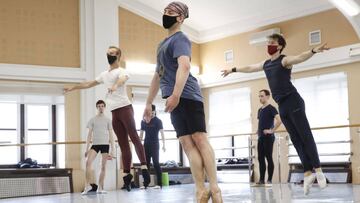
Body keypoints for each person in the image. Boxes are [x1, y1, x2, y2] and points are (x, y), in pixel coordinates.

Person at [221, 33, 328, 195]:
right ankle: (307, 172)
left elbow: (299, 57)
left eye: (272, 43)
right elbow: (250, 68)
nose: (268, 45)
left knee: (305, 135)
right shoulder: (266, 64)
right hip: (282, 106)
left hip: (293, 101)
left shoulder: (284, 60)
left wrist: (313, 50)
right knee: (295, 138)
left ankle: (318, 170)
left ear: (279, 46)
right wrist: (233, 69)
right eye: (268, 43)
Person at [143, 2, 223, 203]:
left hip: (187, 95)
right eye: (165, 12)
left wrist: (176, 95)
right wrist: (147, 103)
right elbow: (157, 76)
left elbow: (185, 66)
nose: (166, 15)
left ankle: (214, 187)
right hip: (173, 98)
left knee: (199, 139)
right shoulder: (161, 45)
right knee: (187, 143)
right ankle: (200, 190)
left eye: (171, 12)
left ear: (180, 18)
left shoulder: (181, 39)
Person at [64, 46, 150, 192]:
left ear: (118, 56)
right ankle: (127, 175)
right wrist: (74, 88)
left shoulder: (122, 71)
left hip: (125, 108)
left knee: (134, 137)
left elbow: (122, 80)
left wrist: (115, 85)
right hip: (115, 113)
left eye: (112, 53)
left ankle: (144, 167)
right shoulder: (104, 74)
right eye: (108, 53)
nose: (109, 55)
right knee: (122, 144)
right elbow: (89, 83)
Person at [82, 100, 115, 195]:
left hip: (105, 145)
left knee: (103, 167)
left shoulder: (108, 120)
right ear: (97, 107)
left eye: (102, 106)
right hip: (95, 145)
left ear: (104, 107)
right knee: (88, 163)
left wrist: (112, 150)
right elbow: (89, 135)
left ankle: (100, 188)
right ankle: (87, 185)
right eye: (99, 106)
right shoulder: (93, 119)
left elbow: (111, 135)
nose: (101, 108)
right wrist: (86, 148)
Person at [254, 89, 282, 187]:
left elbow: (279, 121)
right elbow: (261, 122)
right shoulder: (260, 110)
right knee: (260, 158)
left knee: (268, 158)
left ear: (267, 96)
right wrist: (258, 130)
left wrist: (271, 130)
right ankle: (262, 180)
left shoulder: (271, 108)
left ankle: (269, 180)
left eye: (262, 96)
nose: (260, 98)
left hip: (269, 137)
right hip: (260, 137)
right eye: (259, 96)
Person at [139, 104, 166, 189]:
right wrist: (139, 145)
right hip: (146, 144)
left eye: (152, 111)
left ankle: (159, 183)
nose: (150, 113)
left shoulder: (158, 121)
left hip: (155, 144)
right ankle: (145, 183)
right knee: (146, 164)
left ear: (154, 111)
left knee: (156, 163)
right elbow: (141, 134)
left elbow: (162, 133)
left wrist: (164, 145)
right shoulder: (143, 121)